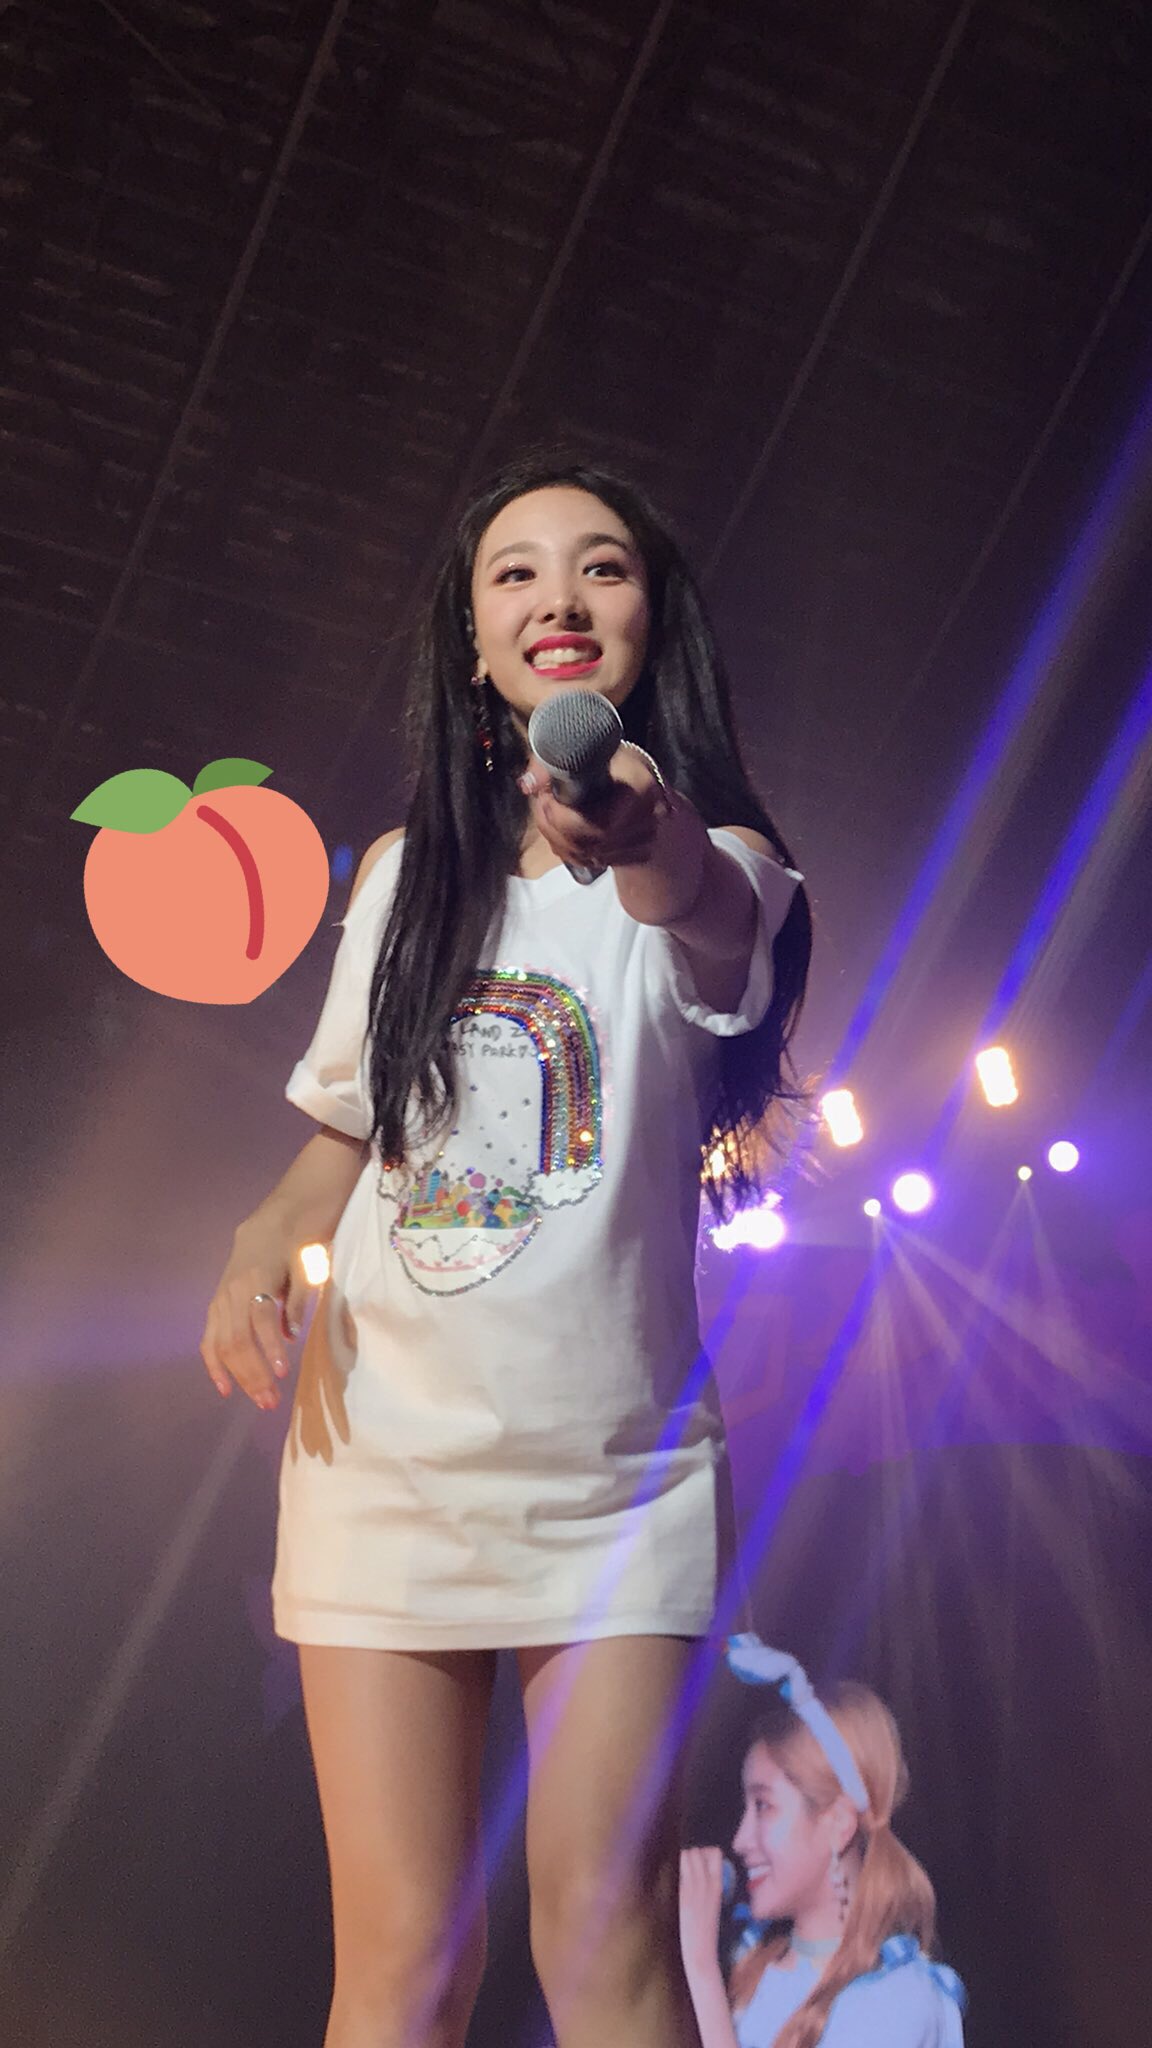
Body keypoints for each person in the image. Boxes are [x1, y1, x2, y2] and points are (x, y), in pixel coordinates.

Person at [199, 455, 811, 2048]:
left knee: (604, 1941)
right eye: (515, 571)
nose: (559, 596)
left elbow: (700, 910)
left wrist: (637, 825)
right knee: (404, 1967)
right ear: (472, 640)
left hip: (614, 1482)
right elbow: (347, 1130)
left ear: (652, 620)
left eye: (602, 566)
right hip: (380, 1462)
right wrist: (261, 1238)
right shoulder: (405, 878)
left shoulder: (721, 865)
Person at [679, 1637, 967, 2048]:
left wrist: (701, 1969)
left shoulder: (901, 1999)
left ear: (838, 1824)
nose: (739, 1841)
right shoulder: (751, 1969)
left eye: (763, 1806)